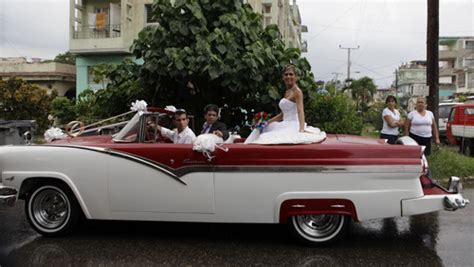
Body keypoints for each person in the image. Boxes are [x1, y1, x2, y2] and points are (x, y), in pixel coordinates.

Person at [244, 64, 325, 144]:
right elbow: (282, 115)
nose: (288, 76)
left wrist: (301, 130)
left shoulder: (297, 92)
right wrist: (267, 122)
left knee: (267, 137)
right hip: (284, 123)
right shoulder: (287, 92)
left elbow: (300, 111)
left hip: (293, 125)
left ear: (295, 77)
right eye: (286, 74)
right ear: (283, 77)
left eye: (291, 74)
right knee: (262, 129)